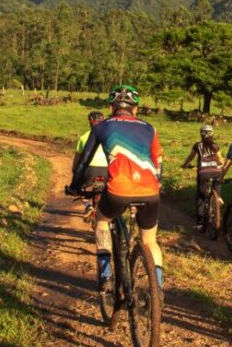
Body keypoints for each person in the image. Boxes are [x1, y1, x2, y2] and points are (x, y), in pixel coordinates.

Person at [68, 84, 166, 293]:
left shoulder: (101, 127)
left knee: (102, 221)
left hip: (118, 189)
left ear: (111, 108)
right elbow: (158, 160)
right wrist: (158, 181)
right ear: (135, 109)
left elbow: (84, 163)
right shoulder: (150, 128)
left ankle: (106, 276)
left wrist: (75, 187)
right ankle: (157, 290)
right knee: (149, 240)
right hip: (150, 190)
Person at [181, 124, 223, 231]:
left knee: (200, 196)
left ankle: (200, 222)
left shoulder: (197, 145)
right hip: (215, 171)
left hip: (203, 172)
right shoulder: (215, 145)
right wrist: (220, 164)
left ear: (201, 134)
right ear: (212, 134)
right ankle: (217, 198)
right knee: (218, 182)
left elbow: (191, 157)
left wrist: (185, 164)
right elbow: (220, 159)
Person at [74, 111, 109, 203]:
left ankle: (88, 206)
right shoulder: (108, 136)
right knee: (101, 189)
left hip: (89, 170)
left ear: (89, 122)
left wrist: (75, 170)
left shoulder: (83, 137)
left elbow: (78, 157)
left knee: (78, 187)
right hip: (105, 170)